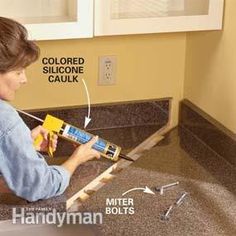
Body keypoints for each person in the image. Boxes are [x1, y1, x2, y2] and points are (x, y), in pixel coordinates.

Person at [0, 17, 100, 202]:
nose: (24, 79)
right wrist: (77, 159)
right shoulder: (5, 118)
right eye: (18, 72)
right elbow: (41, 186)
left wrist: (21, 146)